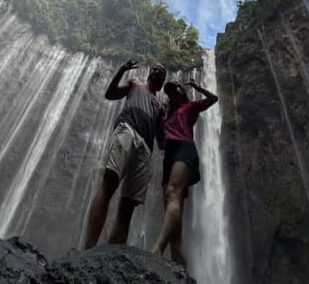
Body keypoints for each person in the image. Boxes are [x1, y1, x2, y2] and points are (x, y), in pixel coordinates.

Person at [84, 59, 167, 248]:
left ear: (163, 81)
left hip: (146, 146)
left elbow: (162, 143)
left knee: (128, 205)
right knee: (110, 180)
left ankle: (112, 257)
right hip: (127, 129)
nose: (157, 70)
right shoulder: (134, 83)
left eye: (161, 71)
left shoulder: (160, 107)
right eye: (154, 68)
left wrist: (167, 117)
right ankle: (88, 247)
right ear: (148, 74)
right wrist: (122, 70)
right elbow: (110, 94)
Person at [151, 78, 218, 267]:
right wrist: (158, 121)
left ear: (182, 93)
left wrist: (197, 87)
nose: (172, 93)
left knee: (172, 192)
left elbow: (214, 98)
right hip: (170, 155)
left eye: (175, 90)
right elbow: (161, 144)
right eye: (169, 91)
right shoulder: (166, 115)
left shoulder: (190, 106)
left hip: (185, 149)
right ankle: (181, 272)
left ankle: (156, 250)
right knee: (176, 231)